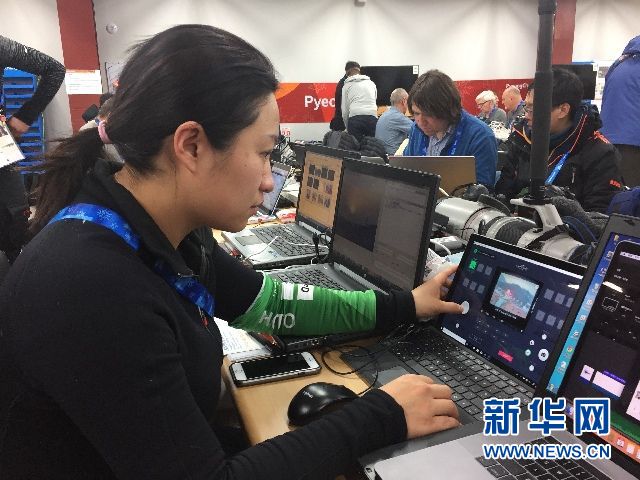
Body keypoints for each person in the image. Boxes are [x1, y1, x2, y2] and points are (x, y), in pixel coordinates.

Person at [0, 25, 463, 479]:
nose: (268, 179)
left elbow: (270, 302)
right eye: (263, 153)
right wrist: (381, 414)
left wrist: (405, 305)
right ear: (191, 146)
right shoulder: (93, 285)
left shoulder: (168, 229)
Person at [495, 67, 623, 213]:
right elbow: (503, 193)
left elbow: (598, 217)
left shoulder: (600, 154)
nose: (526, 115)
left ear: (563, 110)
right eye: (526, 107)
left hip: (566, 226)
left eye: (532, 109)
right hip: (515, 224)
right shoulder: (521, 139)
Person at [0, 35, 65, 263]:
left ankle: (18, 265)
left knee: (16, 221)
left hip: (2, 150)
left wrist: (25, 116)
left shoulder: (1, 46)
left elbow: (54, 70)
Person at [403, 69, 498, 188]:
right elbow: (406, 171)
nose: (421, 122)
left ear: (447, 109)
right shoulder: (416, 129)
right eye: (416, 113)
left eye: (428, 114)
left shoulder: (480, 136)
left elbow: (483, 191)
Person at [600, 35, 640, 187]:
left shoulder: (620, 63)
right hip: (634, 143)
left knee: (617, 191)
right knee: (632, 195)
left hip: (607, 140)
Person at [341, 62, 378, 141]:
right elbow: (375, 100)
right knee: (372, 145)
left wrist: (347, 127)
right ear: (359, 70)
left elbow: (344, 110)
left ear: (347, 72)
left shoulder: (346, 86)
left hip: (355, 118)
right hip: (372, 117)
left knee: (355, 146)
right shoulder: (371, 83)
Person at [375, 87, 414, 154]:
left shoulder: (384, 115)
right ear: (404, 101)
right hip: (394, 156)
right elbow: (418, 130)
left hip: (383, 154)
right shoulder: (398, 117)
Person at [329, 61, 358, 131]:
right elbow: (342, 107)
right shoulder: (343, 84)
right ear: (348, 71)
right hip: (342, 123)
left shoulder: (352, 83)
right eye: (355, 71)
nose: (357, 74)